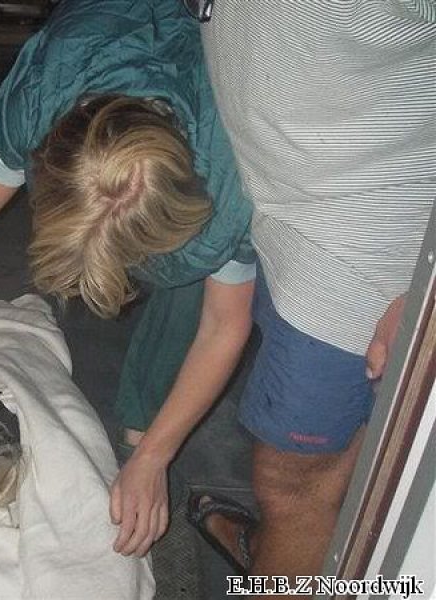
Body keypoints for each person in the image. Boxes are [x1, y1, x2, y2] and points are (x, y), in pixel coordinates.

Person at [0, 0, 256, 558]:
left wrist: (156, 453)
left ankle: (142, 424)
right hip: (94, 23)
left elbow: (224, 327)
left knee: (192, 284)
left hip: (201, 102)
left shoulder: (231, 177)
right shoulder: (41, 93)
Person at [186, 0, 436, 590]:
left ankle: (294, 557)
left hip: (358, 261)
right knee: (338, 465)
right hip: (279, 208)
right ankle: (286, 551)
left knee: (297, 484)